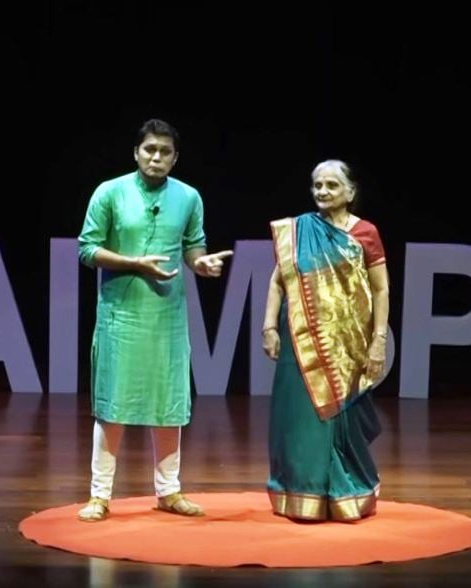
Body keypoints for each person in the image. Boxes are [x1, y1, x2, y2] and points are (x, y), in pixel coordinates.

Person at [76, 118, 232, 521]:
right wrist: (134, 264)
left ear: (175, 158)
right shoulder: (109, 192)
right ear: (136, 152)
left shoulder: (189, 197)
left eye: (165, 152)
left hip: (167, 316)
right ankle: (99, 495)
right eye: (149, 149)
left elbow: (193, 247)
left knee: (169, 404)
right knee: (113, 407)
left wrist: (203, 264)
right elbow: (87, 250)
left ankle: (169, 491)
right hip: (121, 315)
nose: (156, 157)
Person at [261, 159, 389, 522]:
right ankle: (302, 493)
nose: (323, 192)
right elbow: (277, 282)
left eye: (332, 185)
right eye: (317, 185)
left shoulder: (365, 233)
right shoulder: (300, 231)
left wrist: (378, 341)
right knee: (298, 418)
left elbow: (381, 289)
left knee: (339, 418)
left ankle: (345, 492)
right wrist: (268, 327)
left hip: (347, 346)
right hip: (299, 341)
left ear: (350, 192)